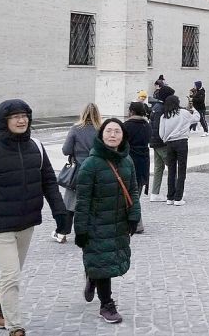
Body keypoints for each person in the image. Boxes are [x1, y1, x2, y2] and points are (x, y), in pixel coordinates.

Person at [0, 99, 67, 336]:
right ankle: (15, 327)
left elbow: (49, 184)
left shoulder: (37, 148)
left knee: (10, 272)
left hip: (26, 223)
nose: (21, 120)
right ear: (4, 121)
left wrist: (60, 213)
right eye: (15, 117)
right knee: (11, 275)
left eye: (24, 116)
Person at [75, 118, 141, 324]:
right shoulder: (91, 164)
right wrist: (80, 230)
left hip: (119, 222)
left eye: (117, 132)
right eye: (109, 131)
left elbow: (133, 191)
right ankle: (106, 304)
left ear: (123, 136)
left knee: (108, 260)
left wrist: (134, 216)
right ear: (101, 135)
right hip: (97, 223)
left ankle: (92, 276)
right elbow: (82, 200)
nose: (113, 135)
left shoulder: (127, 160)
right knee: (103, 260)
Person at [56, 103, 101, 244]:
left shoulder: (76, 129)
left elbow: (66, 150)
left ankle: (62, 232)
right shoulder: (101, 130)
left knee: (70, 203)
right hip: (96, 168)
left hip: (78, 169)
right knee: (93, 201)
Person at [158, 95, 202, 206]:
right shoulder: (183, 113)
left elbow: (161, 133)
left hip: (169, 143)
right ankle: (178, 197)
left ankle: (170, 197)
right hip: (182, 142)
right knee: (181, 170)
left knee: (171, 171)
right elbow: (197, 118)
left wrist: (166, 139)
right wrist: (194, 109)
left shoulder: (164, 116)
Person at [123, 102, 151, 233]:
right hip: (143, 163)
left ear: (132, 112)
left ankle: (137, 224)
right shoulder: (147, 125)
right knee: (136, 194)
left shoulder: (127, 126)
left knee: (130, 195)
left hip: (129, 162)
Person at [148, 80, 174, 203]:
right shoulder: (161, 109)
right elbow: (160, 127)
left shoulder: (156, 107)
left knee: (159, 168)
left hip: (154, 141)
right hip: (161, 142)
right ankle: (176, 191)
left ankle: (155, 193)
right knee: (172, 165)